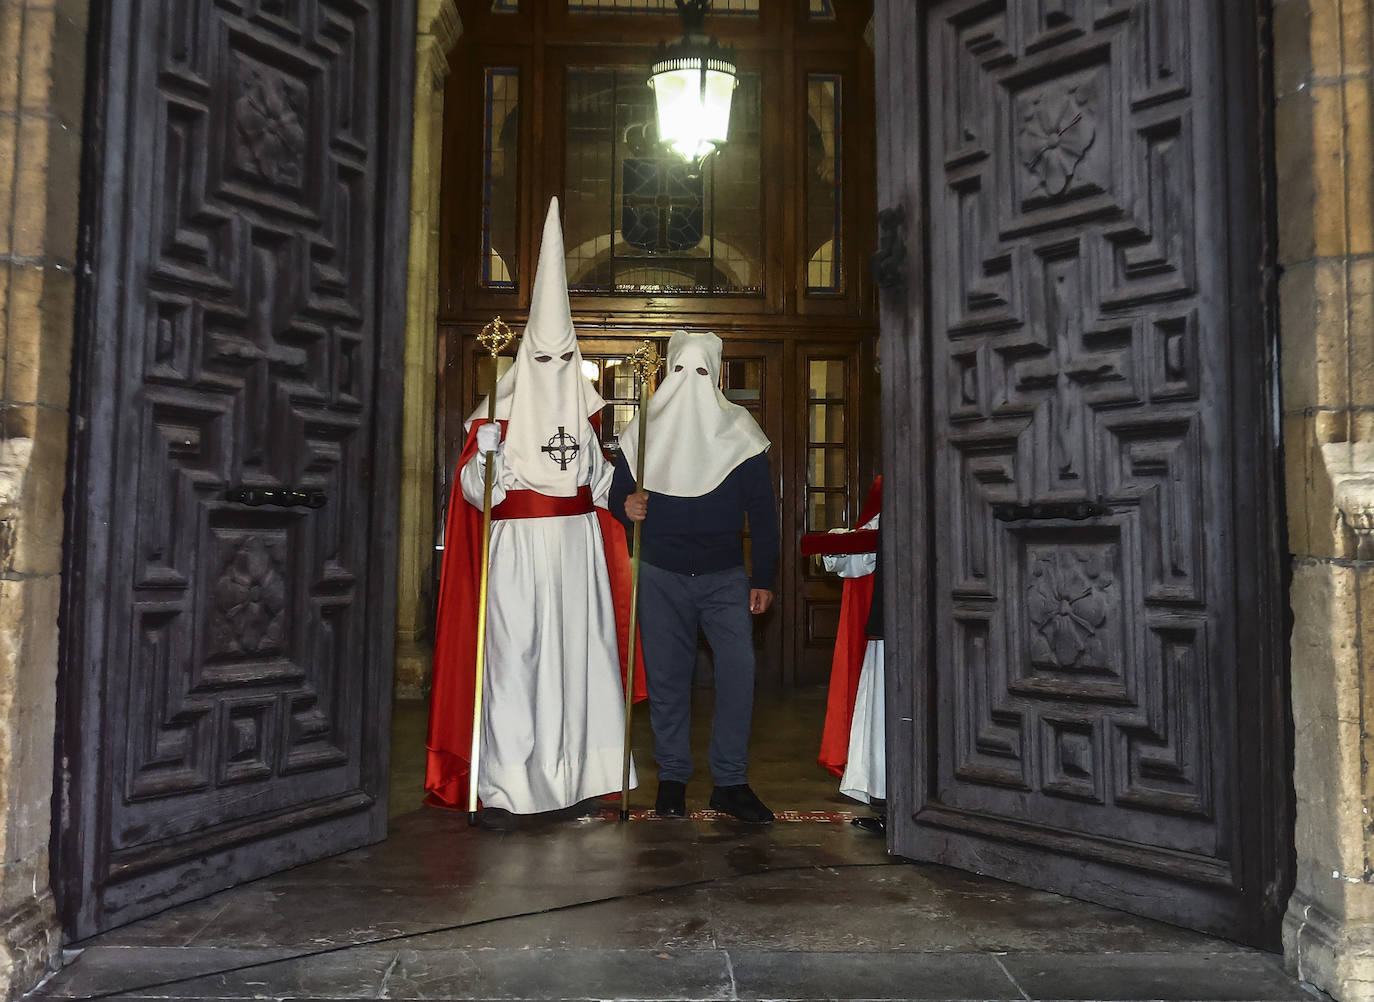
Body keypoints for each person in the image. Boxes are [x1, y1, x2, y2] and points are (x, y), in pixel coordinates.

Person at [425, 197, 643, 828]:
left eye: (565, 360)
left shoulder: (588, 414)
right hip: (517, 554)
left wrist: (621, 500)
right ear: (525, 361)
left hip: (577, 554)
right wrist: (485, 461)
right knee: (514, 666)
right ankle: (505, 788)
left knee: (577, 661)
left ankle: (577, 779)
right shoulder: (497, 412)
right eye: (543, 361)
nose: (554, 373)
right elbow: (473, 493)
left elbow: (597, 482)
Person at [611, 330, 780, 825]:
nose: (691, 381)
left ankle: (729, 782)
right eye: (681, 370)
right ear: (667, 372)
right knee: (666, 678)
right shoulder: (641, 431)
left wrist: (763, 577)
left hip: (725, 575)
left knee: (737, 672)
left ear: (718, 374)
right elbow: (617, 497)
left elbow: (764, 514)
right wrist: (628, 506)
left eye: (702, 371)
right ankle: (673, 779)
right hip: (660, 572)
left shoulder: (741, 431)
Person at [805, 477, 885, 833]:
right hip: (892, 621)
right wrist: (839, 542)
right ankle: (890, 798)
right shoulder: (889, 484)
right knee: (886, 707)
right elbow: (860, 556)